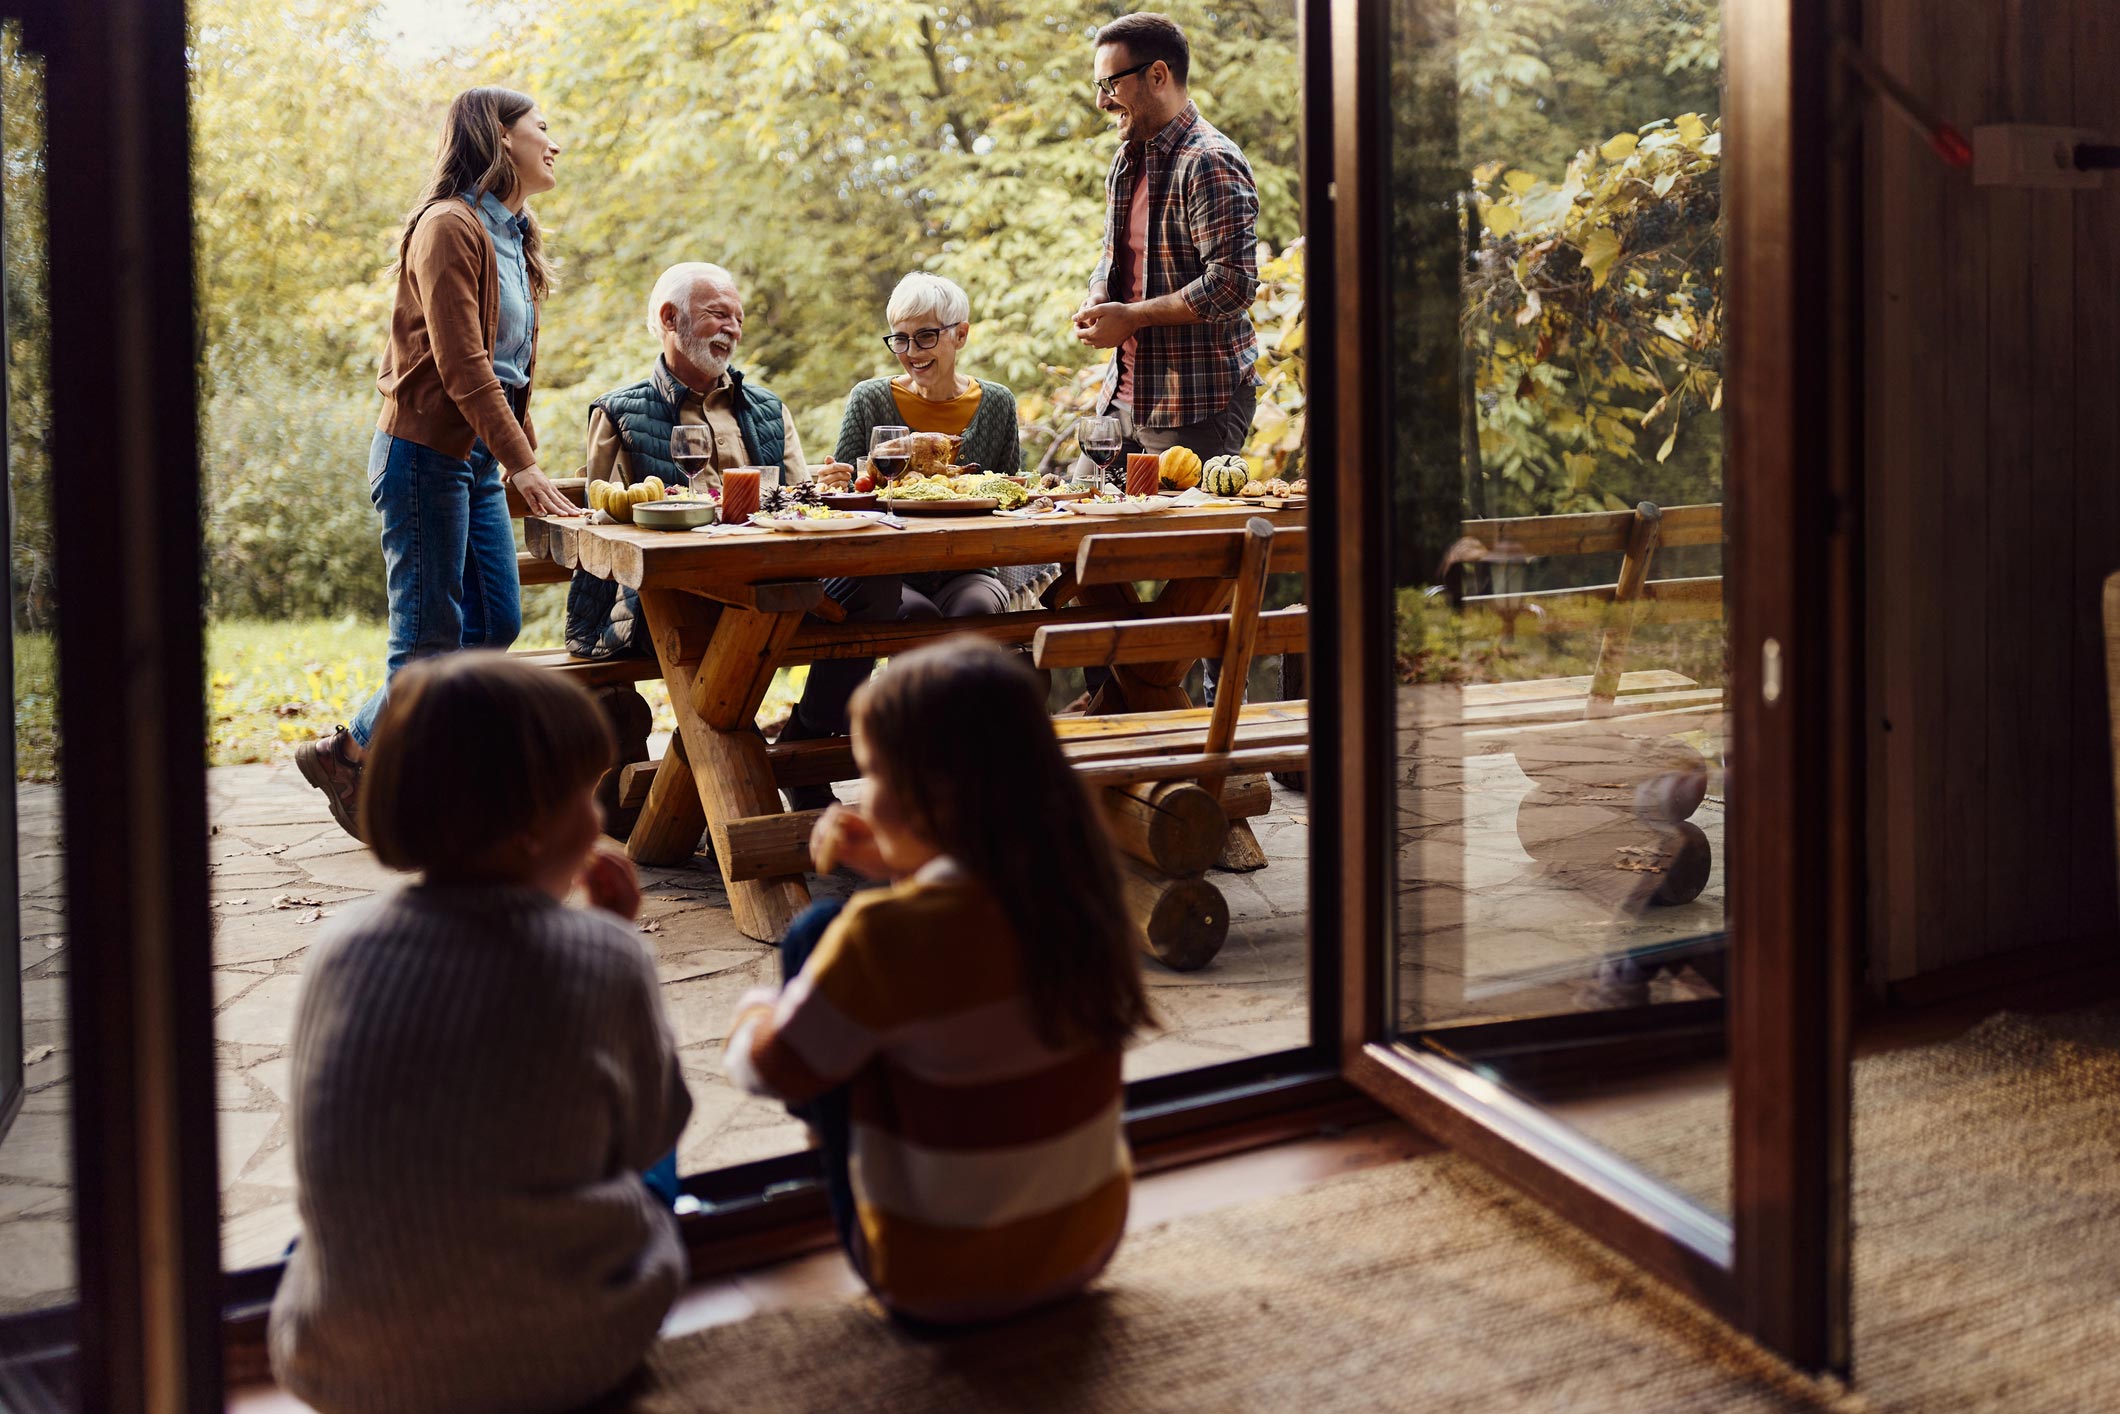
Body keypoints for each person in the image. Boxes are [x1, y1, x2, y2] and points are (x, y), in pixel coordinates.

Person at [269, 653, 692, 1413]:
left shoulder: (338, 949)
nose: (601, 825)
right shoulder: (605, 956)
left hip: (339, 1362)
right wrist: (615, 943)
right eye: (587, 800)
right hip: (567, 1356)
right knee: (654, 1168)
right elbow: (654, 1127)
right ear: (534, 830)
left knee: (330, 1239)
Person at [723, 638, 1150, 1329]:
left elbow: (765, 1071)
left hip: (937, 1281)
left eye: (871, 774)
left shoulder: (882, 935)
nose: (862, 794)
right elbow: (969, 934)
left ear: (928, 797)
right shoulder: (1077, 890)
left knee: (813, 935)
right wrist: (902, 863)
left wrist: (756, 1011)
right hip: (1083, 1250)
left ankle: (828, 1108)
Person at [296, 87, 576, 842]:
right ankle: (373, 763)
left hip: (475, 458)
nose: (555, 142)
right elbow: (461, 363)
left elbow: (510, 366)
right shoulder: (448, 226)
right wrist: (523, 466)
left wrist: (517, 453)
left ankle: (356, 747)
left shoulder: (512, 232)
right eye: (541, 128)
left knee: (494, 621)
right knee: (427, 639)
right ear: (499, 137)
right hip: (424, 454)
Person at [776, 273, 1043, 809]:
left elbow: (1005, 493)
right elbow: (846, 486)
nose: (911, 352)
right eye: (901, 338)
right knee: (913, 624)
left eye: (926, 337)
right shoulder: (871, 398)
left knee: (975, 616)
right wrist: (840, 480)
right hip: (892, 568)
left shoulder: (995, 404)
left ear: (959, 335)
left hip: (969, 564)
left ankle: (954, 773)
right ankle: (817, 753)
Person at [1071, 14, 1260, 707]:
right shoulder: (1129, 156)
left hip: (1200, 400)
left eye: (1110, 84)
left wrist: (1134, 316)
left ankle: (1207, 725)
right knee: (1076, 545)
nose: (1102, 102)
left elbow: (1235, 282)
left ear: (1157, 75)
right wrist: (1101, 299)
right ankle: (1114, 712)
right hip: (1124, 398)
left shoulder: (1209, 160)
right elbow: (1112, 257)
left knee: (1199, 572)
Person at [565, 262, 814, 661]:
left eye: (738, 319)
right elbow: (606, 518)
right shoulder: (616, 413)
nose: (732, 329)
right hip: (664, 595)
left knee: (856, 601)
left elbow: (799, 502)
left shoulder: (770, 408)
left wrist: (824, 489)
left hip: (766, 578)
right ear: (670, 318)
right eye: (718, 314)